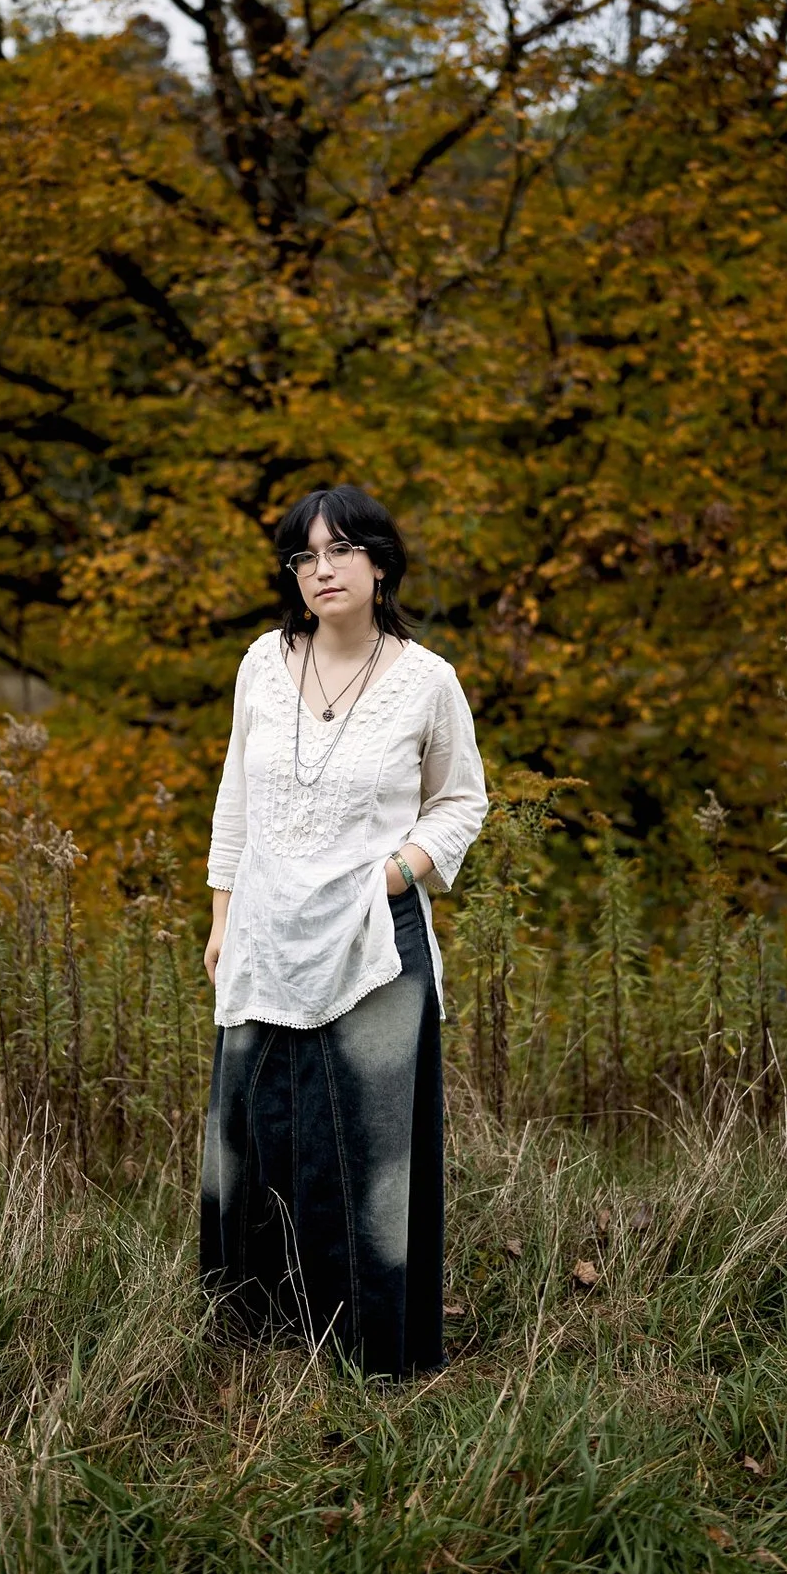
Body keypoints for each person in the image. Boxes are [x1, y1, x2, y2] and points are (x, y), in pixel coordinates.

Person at [197, 483, 488, 1379]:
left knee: (363, 1151)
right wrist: (220, 916)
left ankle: (375, 1361)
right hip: (264, 936)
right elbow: (236, 799)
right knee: (258, 1142)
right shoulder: (262, 662)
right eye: (303, 556)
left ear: (379, 561)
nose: (320, 570)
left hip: (375, 943)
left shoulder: (426, 681)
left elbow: (462, 800)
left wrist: (395, 872)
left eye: (339, 550)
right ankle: (259, 1353)